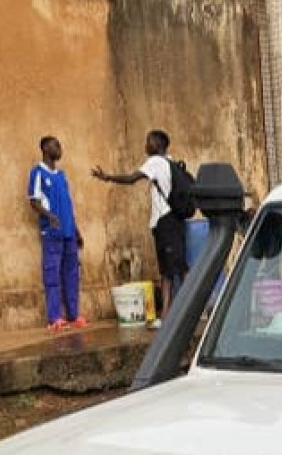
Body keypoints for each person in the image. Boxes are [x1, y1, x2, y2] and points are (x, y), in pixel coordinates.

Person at [92, 130, 188, 321]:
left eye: (148, 141)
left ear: (158, 145)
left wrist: (108, 177)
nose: (146, 145)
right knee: (170, 269)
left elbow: (131, 179)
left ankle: (188, 310)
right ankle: (169, 313)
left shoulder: (156, 162)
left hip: (165, 221)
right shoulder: (170, 162)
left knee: (176, 269)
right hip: (171, 221)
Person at [28, 136, 85, 332]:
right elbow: (34, 201)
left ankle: (73, 315)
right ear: (45, 148)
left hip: (68, 231)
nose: (59, 148)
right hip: (51, 231)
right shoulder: (37, 172)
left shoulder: (61, 175)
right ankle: (54, 318)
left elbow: (68, 204)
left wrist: (76, 229)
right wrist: (49, 215)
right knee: (52, 274)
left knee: (72, 273)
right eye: (55, 145)